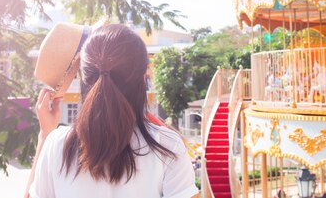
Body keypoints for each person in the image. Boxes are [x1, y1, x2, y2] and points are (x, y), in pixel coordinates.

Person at [25, 24, 199, 198]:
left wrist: (45, 136)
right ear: (143, 78)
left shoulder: (56, 145)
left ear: (84, 78)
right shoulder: (167, 146)